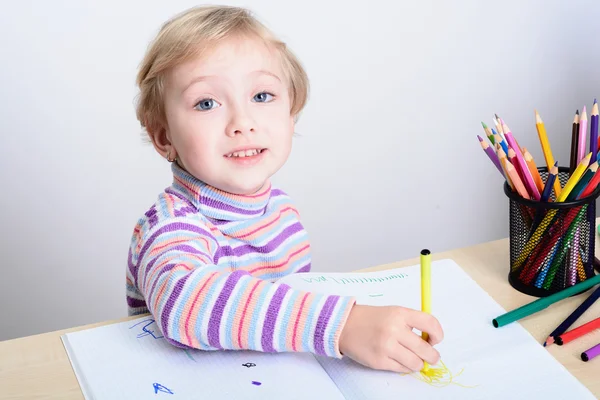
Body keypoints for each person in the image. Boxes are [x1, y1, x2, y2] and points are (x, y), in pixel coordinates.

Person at [126, 4, 443, 374]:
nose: (242, 123)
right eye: (206, 103)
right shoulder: (170, 227)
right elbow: (183, 302)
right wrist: (341, 324)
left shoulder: (280, 210)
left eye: (261, 96)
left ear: (292, 114)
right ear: (164, 137)